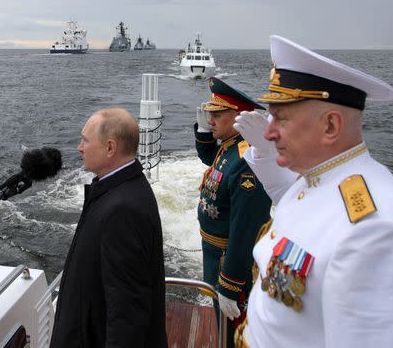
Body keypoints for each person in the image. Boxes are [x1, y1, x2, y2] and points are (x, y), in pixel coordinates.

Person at [232, 35, 393, 348]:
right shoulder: (318, 177)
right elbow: (297, 204)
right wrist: (268, 156)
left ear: (330, 127)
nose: (269, 132)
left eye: (281, 118)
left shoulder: (373, 228)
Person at [50, 108, 166, 348]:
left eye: (85, 140)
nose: (79, 148)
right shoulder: (117, 190)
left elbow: (127, 313)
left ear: (110, 148)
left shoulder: (122, 210)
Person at [193, 77, 273, 347]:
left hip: (231, 263)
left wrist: (230, 284)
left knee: (236, 336)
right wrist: (205, 133)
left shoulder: (247, 160)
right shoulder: (230, 148)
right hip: (215, 256)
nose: (210, 119)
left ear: (238, 116)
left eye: (216, 114)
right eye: (209, 113)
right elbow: (215, 162)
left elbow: (245, 228)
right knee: (223, 327)